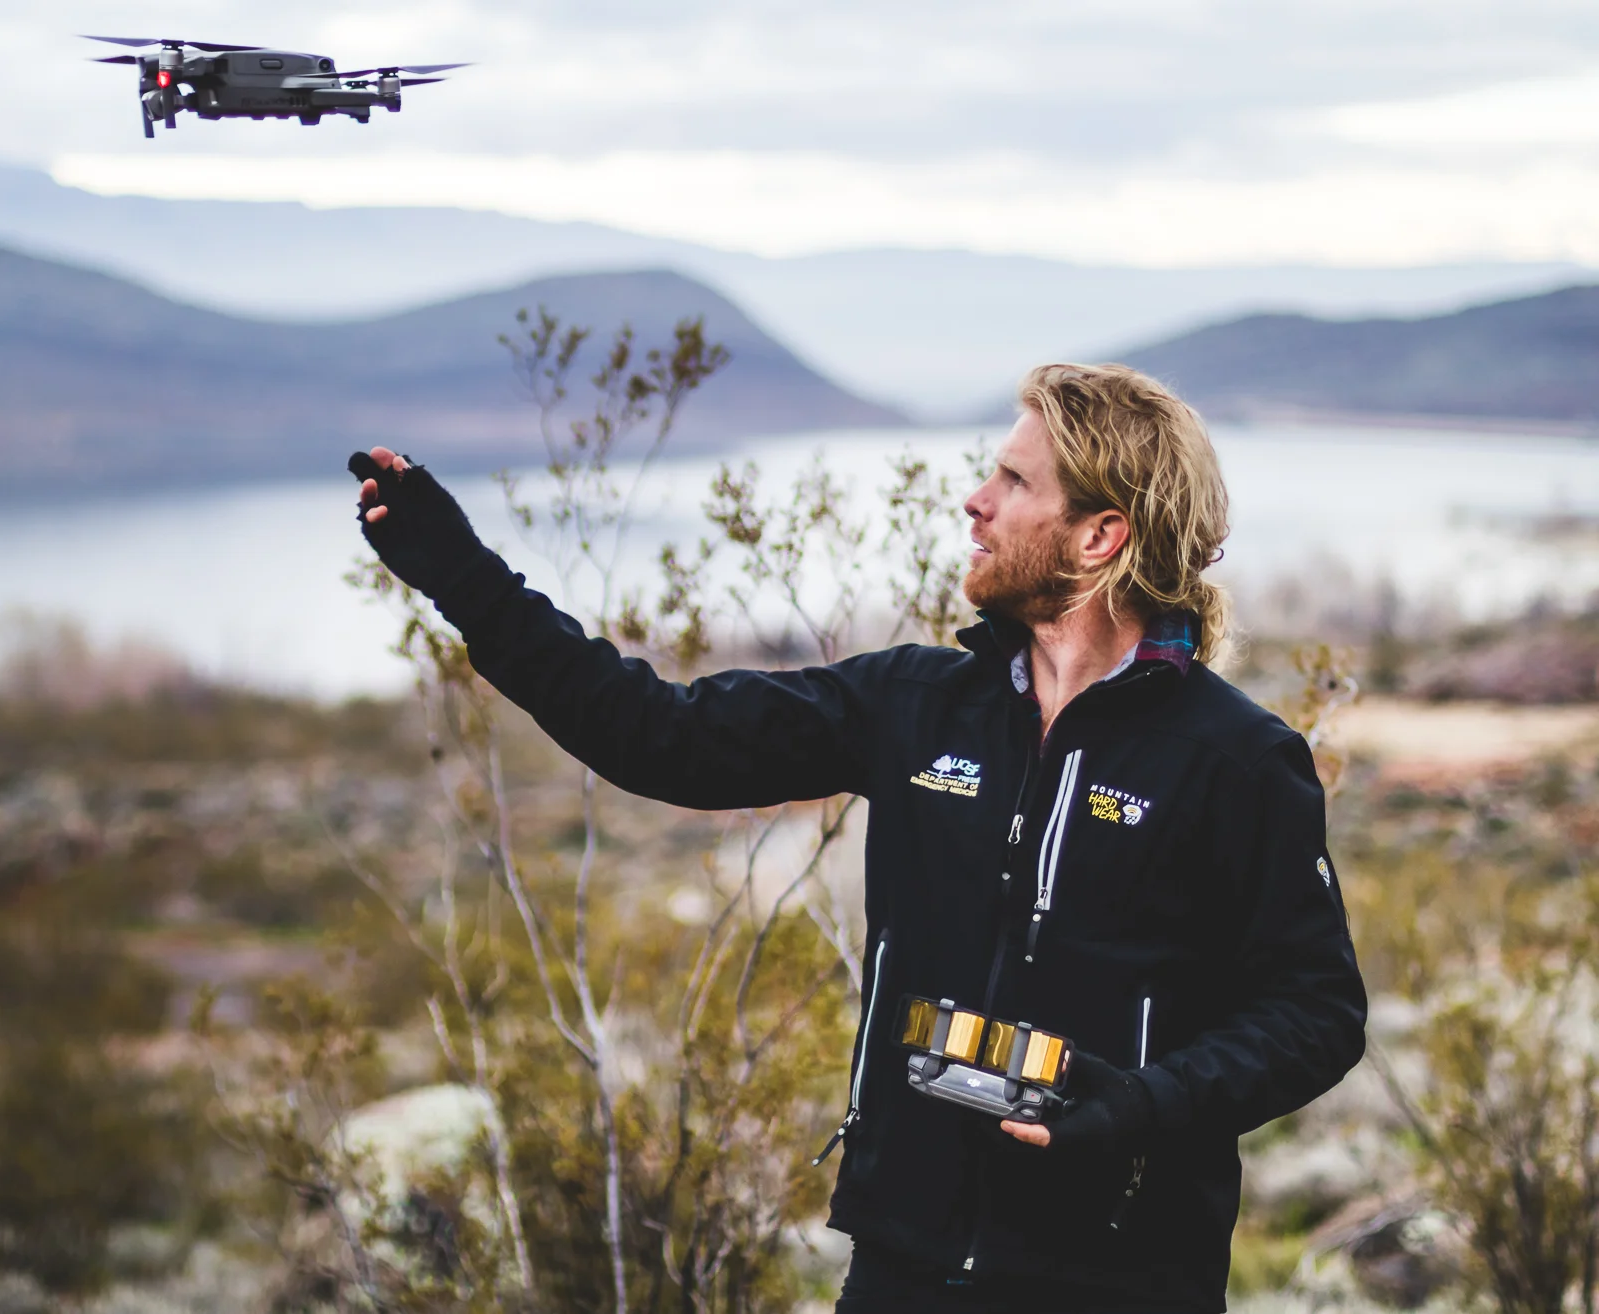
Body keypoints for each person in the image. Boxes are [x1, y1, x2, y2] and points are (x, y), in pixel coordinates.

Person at [348, 362, 1366, 1313]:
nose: (974, 502)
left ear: (1099, 536)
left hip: (1120, 1272)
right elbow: (654, 736)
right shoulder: (916, 707)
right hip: (903, 1262)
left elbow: (1314, 1011)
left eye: (1011, 483)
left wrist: (1144, 1104)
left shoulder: (1232, 758)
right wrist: (461, 577)